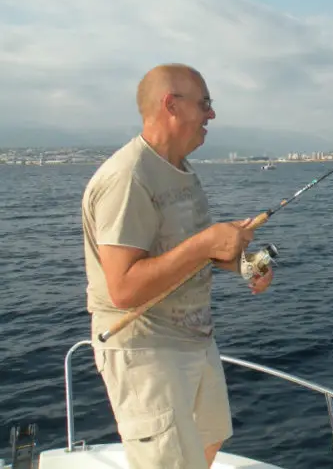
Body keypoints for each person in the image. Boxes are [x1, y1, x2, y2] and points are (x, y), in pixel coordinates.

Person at [81, 63, 273, 468]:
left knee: (209, 440)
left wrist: (243, 263)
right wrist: (206, 242)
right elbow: (124, 288)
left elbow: (189, 253)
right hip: (146, 351)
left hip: (195, 340)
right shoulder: (128, 177)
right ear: (171, 104)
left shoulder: (182, 172)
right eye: (205, 103)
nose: (212, 115)